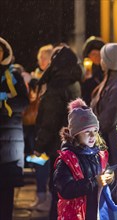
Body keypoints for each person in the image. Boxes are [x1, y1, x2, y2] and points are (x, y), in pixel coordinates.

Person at [34, 45, 82, 218]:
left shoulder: (58, 85)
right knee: (65, 192)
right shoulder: (74, 81)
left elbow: (50, 120)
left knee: (57, 191)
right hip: (70, 144)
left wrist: (39, 144)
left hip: (57, 145)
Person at [53, 98, 114, 219]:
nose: (92, 136)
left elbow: (105, 171)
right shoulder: (67, 159)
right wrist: (93, 182)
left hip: (95, 211)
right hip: (76, 214)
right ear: (76, 134)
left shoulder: (99, 155)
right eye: (87, 132)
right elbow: (64, 189)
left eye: (95, 131)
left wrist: (110, 177)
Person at [91, 42, 117, 166]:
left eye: (103, 58)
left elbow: (109, 118)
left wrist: (93, 130)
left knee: (115, 177)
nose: (101, 61)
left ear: (110, 61)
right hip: (108, 140)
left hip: (114, 142)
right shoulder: (112, 78)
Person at [0, 36, 29, 220]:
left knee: (6, 190)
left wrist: (4, 103)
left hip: (10, 139)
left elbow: (23, 102)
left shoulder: (14, 74)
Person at [81, 36, 105, 106]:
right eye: (94, 54)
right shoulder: (83, 70)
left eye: (99, 54)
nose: (97, 57)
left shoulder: (105, 71)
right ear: (88, 55)